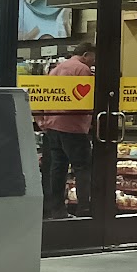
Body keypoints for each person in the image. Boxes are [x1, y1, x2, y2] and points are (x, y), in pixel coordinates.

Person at [35, 43, 96, 218]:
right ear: (86, 54)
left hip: (53, 126)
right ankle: (84, 209)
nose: (94, 61)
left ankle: (57, 210)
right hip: (74, 127)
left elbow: (43, 95)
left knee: (57, 169)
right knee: (82, 168)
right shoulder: (82, 69)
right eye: (93, 57)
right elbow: (85, 100)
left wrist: (41, 119)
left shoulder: (56, 69)